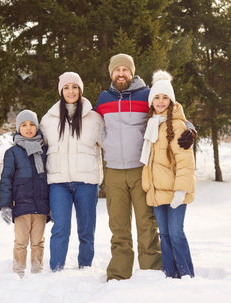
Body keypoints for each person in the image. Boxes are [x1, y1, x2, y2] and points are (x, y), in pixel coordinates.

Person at [95, 53, 196, 281]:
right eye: (117, 70)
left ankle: (152, 271)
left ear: (132, 72)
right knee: (118, 226)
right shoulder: (103, 100)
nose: (121, 74)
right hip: (113, 171)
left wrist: (190, 129)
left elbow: (172, 111)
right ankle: (119, 274)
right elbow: (88, 122)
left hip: (141, 170)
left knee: (147, 225)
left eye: (125, 70)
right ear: (111, 73)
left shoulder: (147, 95)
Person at [40, 72, 104, 271]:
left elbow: (109, 143)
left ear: (80, 90)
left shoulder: (94, 118)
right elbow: (36, 144)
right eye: (66, 87)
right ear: (61, 91)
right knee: (60, 228)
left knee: (86, 229)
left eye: (74, 87)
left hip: (86, 181)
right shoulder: (48, 119)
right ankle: (56, 268)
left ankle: (85, 266)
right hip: (58, 182)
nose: (70, 91)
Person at [141, 70, 196, 278]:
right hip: (157, 191)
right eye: (157, 97)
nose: (161, 101)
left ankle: (186, 274)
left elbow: (185, 163)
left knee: (176, 233)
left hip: (175, 191)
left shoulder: (178, 125)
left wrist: (181, 190)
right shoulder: (151, 124)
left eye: (165, 97)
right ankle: (169, 275)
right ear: (151, 100)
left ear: (171, 101)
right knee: (163, 235)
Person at [0, 109, 50, 278]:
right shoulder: (12, 153)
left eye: (32, 124)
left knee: (38, 242)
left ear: (37, 128)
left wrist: (53, 205)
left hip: (41, 206)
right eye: (24, 125)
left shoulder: (45, 151)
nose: (28, 128)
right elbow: (6, 179)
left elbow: (50, 178)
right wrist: (5, 205)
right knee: (21, 242)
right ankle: (18, 271)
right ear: (18, 128)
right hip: (20, 206)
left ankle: (37, 271)